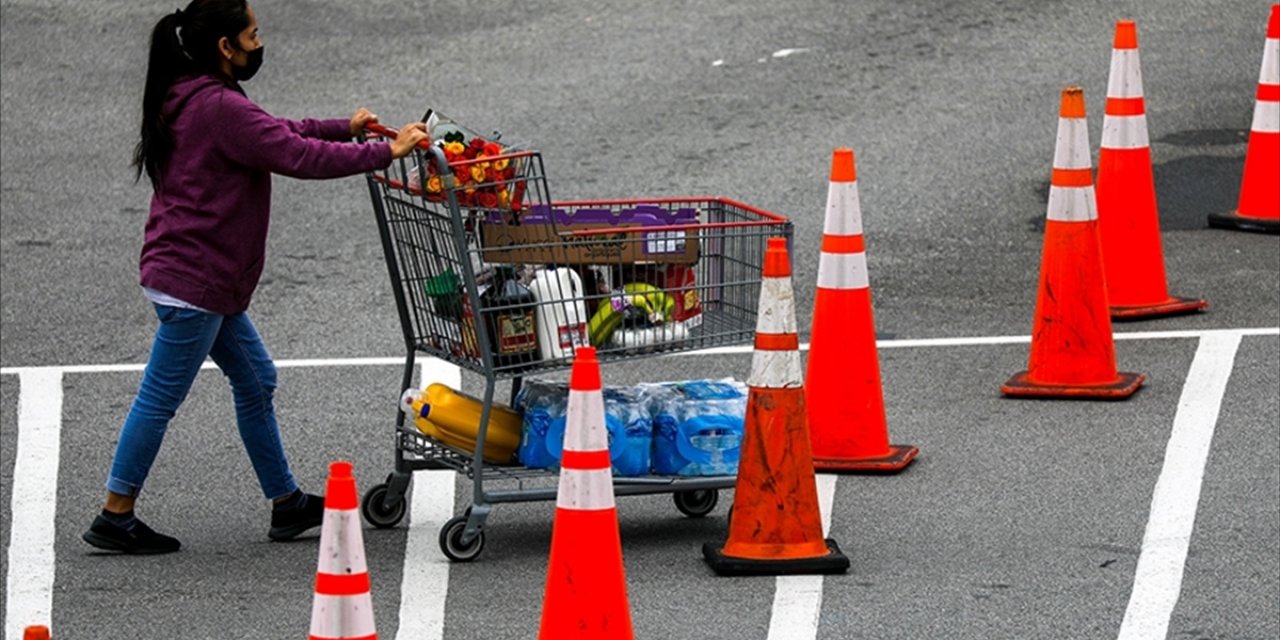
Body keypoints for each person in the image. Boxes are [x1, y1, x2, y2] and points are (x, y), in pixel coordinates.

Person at [83, 0, 428, 554]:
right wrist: (385, 152)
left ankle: (286, 504)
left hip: (199, 278)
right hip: (196, 283)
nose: (258, 41)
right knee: (159, 399)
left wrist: (344, 128)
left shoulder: (194, 96)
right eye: (253, 33)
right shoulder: (217, 106)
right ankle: (115, 514)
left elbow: (276, 131)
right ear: (226, 47)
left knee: (256, 379)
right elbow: (293, 153)